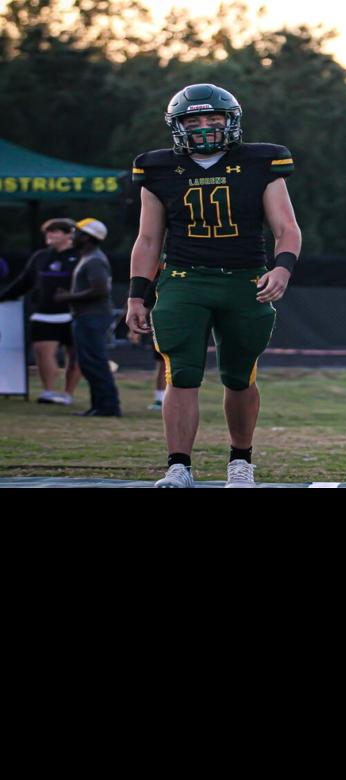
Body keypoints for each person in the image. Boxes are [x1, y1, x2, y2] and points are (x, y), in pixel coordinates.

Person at [125, 82, 302, 487]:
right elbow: (148, 240)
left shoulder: (263, 162)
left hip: (245, 280)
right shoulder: (157, 168)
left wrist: (282, 268)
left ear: (231, 122)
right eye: (194, 120)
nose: (204, 126)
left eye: (213, 118)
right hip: (184, 281)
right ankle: (179, 467)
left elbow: (286, 228)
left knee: (240, 375)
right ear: (178, 126)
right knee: (182, 373)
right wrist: (137, 295)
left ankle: (240, 462)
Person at [1, 218, 84, 404]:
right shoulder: (40, 257)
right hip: (44, 314)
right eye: (48, 232)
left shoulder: (81, 256)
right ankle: (48, 391)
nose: (50, 236)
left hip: (74, 314)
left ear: (69, 234)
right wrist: (3, 296)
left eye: (55, 232)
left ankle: (67, 394)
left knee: (76, 356)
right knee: (42, 351)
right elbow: (24, 282)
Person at [58, 218, 119, 416]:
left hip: (92, 317)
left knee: (94, 361)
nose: (72, 236)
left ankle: (107, 407)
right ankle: (99, 406)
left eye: (76, 233)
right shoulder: (90, 257)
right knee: (88, 362)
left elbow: (100, 290)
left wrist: (68, 296)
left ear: (87, 237)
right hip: (87, 317)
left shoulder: (94, 260)